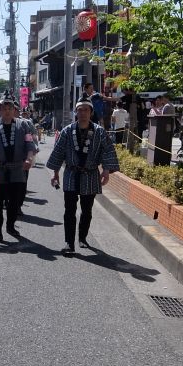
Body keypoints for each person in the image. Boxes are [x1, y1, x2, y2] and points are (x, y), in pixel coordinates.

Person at [46, 96, 119, 254]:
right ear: (76, 112)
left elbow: (108, 151)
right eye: (80, 110)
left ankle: (82, 238)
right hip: (71, 174)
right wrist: (55, 173)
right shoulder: (67, 131)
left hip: (90, 174)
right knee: (69, 210)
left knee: (87, 210)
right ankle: (69, 243)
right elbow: (58, 152)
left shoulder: (99, 131)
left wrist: (106, 170)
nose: (83, 113)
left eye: (86, 110)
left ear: (91, 112)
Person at [0, 95, 37, 242]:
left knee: (14, 201)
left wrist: (29, 158)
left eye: (10, 108)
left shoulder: (23, 126)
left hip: (18, 169)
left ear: (14, 110)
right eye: (4, 109)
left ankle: (11, 226)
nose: (7, 111)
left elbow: (30, 145)